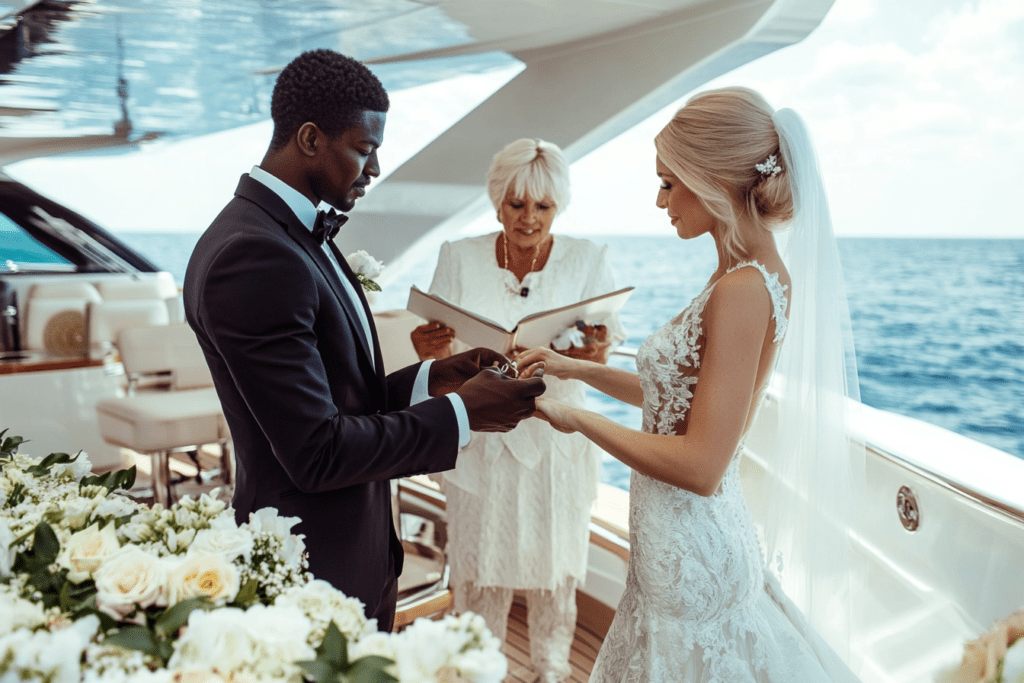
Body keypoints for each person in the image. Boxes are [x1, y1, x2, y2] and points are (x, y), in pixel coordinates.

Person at [183, 49, 545, 631]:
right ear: (309, 138)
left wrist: (436, 378)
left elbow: (336, 397)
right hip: (310, 566)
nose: (374, 168)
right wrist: (462, 413)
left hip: (355, 552)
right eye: (364, 148)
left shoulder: (292, 232)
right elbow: (317, 452)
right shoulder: (254, 255)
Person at [518, 87, 864, 681]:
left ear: (714, 179)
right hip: (672, 542)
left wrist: (574, 417)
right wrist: (573, 367)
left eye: (668, 182)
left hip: (690, 551)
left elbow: (701, 464)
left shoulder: (743, 289)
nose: (660, 201)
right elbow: (679, 397)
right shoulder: (740, 271)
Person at [409, 138, 626, 683]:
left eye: (542, 207)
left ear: (559, 206)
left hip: (557, 433)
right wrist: (430, 351)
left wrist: (595, 351)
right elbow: (439, 353)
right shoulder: (457, 256)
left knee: (557, 567)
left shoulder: (588, 258)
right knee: (480, 563)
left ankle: (552, 669)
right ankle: (477, 668)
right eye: (515, 204)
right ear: (496, 199)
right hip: (480, 430)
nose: (528, 219)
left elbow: (605, 346)